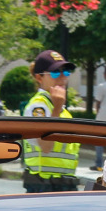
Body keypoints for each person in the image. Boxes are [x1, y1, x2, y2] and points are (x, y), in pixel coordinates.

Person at [20, 50, 81, 192]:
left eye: (65, 72)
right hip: (44, 183)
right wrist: (57, 109)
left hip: (63, 182)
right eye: (55, 73)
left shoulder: (59, 107)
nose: (62, 77)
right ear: (39, 78)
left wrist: (58, 107)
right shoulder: (39, 106)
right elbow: (45, 146)